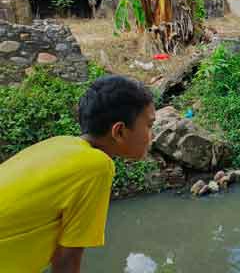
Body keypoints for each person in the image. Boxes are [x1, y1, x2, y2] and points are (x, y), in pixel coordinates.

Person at [0, 75, 156, 273]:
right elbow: (66, 260)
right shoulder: (97, 167)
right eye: (149, 125)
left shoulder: (60, 143)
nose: (153, 134)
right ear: (119, 131)